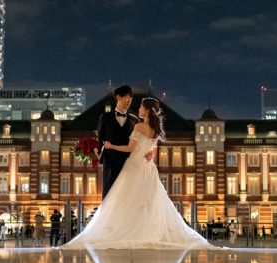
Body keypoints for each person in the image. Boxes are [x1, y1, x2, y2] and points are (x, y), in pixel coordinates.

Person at [64, 98, 211, 250]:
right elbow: (149, 148)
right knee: (146, 202)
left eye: (141, 107)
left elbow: (130, 149)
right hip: (148, 168)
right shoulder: (155, 129)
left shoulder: (140, 126)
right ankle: (144, 233)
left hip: (134, 166)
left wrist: (110, 145)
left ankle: (126, 232)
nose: (139, 109)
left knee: (123, 200)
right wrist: (150, 154)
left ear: (147, 110)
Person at [98, 84, 140, 199]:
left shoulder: (134, 120)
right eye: (126, 98)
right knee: (109, 195)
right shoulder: (105, 117)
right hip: (110, 163)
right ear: (118, 98)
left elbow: (139, 142)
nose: (129, 101)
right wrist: (97, 153)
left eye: (131, 99)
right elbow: (100, 139)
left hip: (128, 163)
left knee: (127, 196)